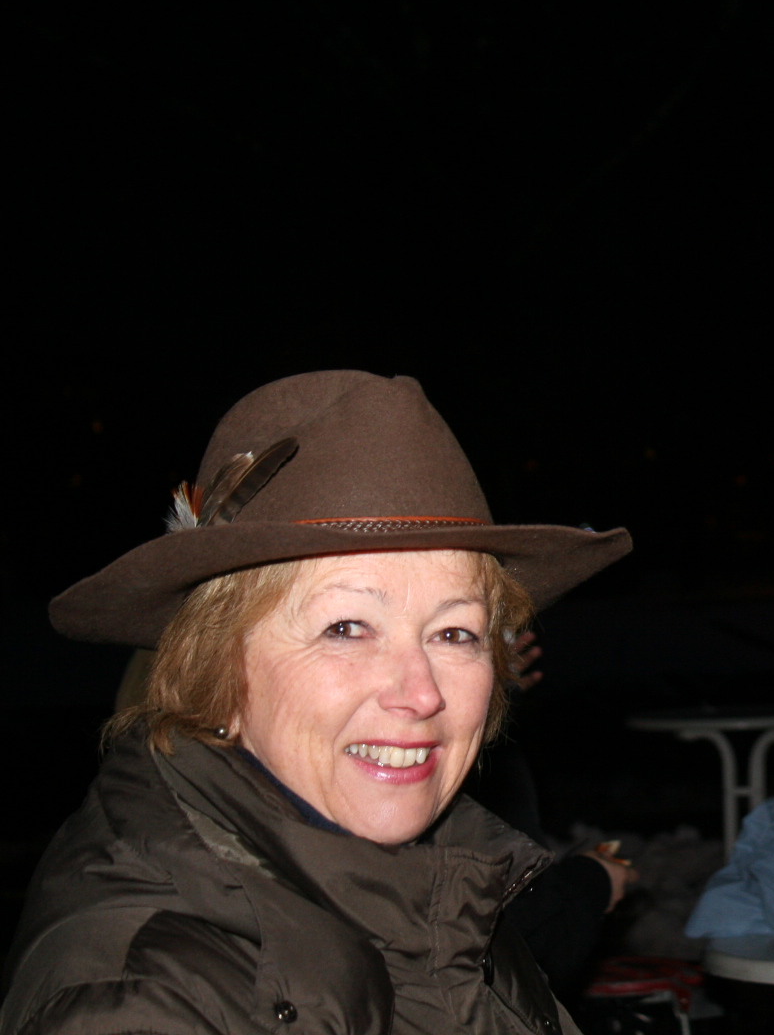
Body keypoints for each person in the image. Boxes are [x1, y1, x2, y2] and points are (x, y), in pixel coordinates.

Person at [1, 370, 632, 1033]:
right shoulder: (140, 1000)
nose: (422, 694)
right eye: (346, 628)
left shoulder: (450, 901)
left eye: (454, 633)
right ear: (218, 665)